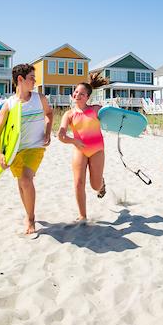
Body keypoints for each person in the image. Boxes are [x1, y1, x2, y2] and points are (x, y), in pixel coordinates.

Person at [0, 64, 53, 234]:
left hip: (35, 148)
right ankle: (28, 214)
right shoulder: (9, 105)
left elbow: (49, 114)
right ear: (20, 79)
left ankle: (31, 219)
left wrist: (48, 131)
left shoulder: (39, 98)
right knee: (21, 183)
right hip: (15, 151)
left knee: (26, 180)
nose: (35, 81)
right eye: (32, 78)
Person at [58, 72, 108, 222]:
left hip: (97, 150)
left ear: (87, 97)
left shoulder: (96, 109)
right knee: (79, 183)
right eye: (76, 92)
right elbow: (61, 136)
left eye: (81, 93)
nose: (77, 95)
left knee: (95, 185)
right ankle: (82, 215)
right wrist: (72, 140)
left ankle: (102, 184)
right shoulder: (69, 114)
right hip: (79, 150)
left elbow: (114, 118)